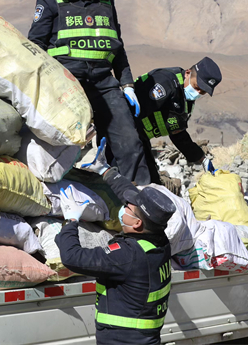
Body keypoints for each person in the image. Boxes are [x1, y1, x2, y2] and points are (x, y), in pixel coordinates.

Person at [28, 0, 150, 183]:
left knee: (129, 142)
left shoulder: (106, 1)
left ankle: (137, 195)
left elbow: (117, 46)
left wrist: (127, 84)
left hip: (103, 83)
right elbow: (35, 45)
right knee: (61, 142)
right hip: (65, 81)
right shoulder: (51, 0)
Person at [56, 144, 176, 345]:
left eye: (128, 208)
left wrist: (71, 221)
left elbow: (72, 257)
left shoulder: (127, 255)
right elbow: (129, 193)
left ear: (137, 224)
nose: (124, 207)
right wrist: (105, 170)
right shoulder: (158, 238)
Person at [134, 59, 222, 182]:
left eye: (203, 91)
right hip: (126, 133)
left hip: (140, 139)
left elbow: (177, 133)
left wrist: (202, 158)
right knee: (137, 180)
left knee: (152, 181)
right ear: (188, 73)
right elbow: (131, 113)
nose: (198, 93)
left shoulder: (186, 101)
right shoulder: (165, 83)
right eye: (197, 87)